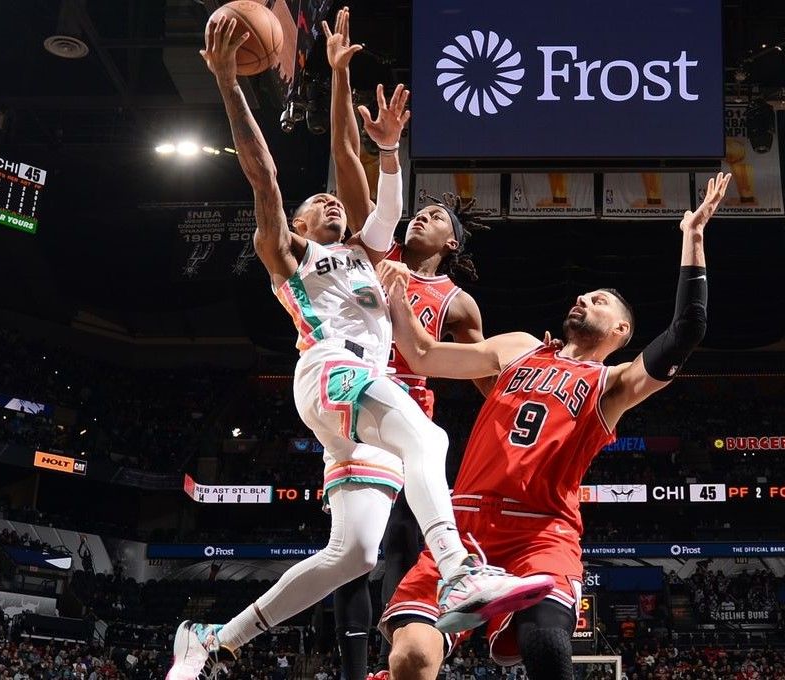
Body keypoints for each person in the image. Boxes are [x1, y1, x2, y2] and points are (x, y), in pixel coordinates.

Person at [167, 17, 553, 680]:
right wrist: (229, 84)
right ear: (297, 223)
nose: (331, 203)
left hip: (362, 409)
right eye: (318, 201)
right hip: (333, 372)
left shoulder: (369, 254)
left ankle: (213, 639)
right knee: (430, 439)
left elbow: (380, 197)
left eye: (335, 202)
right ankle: (460, 573)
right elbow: (264, 176)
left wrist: (381, 135)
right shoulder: (291, 253)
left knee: (353, 555)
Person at [374, 174, 730, 680]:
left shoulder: (613, 384)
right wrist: (397, 294)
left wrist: (692, 237)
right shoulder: (519, 347)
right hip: (464, 522)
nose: (583, 298)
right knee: (410, 657)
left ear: (621, 330)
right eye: (584, 295)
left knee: (544, 644)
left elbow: (686, 330)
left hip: (542, 529)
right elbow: (424, 354)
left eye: (599, 300)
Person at [321, 8, 493, 679]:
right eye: (420, 209)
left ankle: (409, 651)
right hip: (351, 402)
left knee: (395, 547)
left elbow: (484, 382)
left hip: (407, 414)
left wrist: (534, 367)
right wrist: (341, 83)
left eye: (436, 216)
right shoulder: (376, 251)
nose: (422, 214)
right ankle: (352, 668)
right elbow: (347, 164)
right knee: (350, 551)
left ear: (451, 242)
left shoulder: (457, 301)